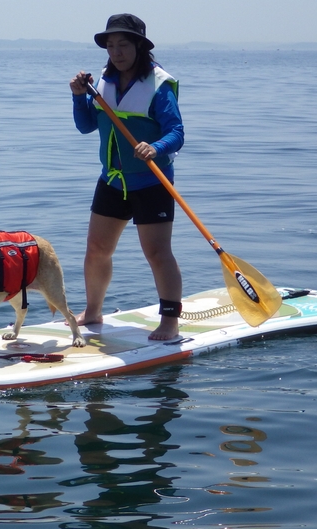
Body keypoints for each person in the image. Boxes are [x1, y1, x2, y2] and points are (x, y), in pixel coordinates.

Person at [69, 13, 184, 340]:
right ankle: (93, 311)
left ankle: (170, 321)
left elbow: (177, 132)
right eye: (110, 46)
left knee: (158, 254)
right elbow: (85, 126)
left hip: (151, 182)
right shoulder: (100, 84)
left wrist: (156, 147)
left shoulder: (159, 86)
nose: (116, 52)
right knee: (96, 250)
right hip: (112, 181)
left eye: (123, 45)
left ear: (139, 46)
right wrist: (79, 97)